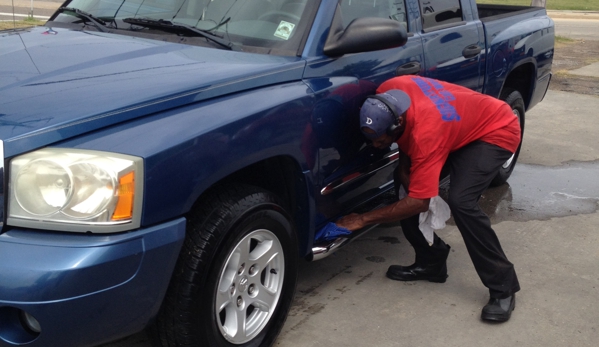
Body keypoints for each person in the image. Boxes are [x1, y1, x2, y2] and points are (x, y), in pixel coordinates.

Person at [336, 75, 521, 322]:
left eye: (381, 140)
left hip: (495, 129)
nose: (376, 145)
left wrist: (362, 219)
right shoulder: (389, 92)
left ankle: (503, 287)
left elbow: (419, 202)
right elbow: (407, 134)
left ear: (396, 124)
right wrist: (403, 167)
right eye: (371, 139)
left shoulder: (427, 135)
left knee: (461, 201)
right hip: (455, 127)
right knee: (404, 179)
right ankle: (431, 261)